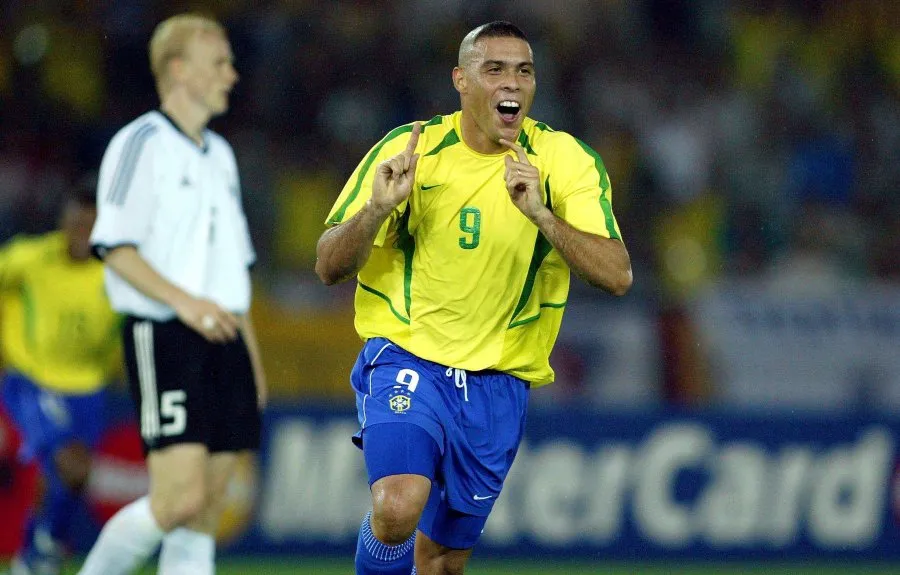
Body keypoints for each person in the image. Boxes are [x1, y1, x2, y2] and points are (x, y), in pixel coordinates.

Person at [316, 20, 633, 575]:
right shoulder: (412, 149)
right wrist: (376, 210)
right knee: (396, 508)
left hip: (497, 384)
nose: (511, 81)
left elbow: (617, 275)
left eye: (523, 70)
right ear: (461, 80)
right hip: (410, 357)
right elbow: (328, 266)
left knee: (441, 562)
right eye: (495, 69)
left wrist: (542, 214)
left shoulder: (563, 161)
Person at [76, 13, 265, 575]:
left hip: (225, 336)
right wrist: (187, 304)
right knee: (176, 500)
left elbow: (233, 270)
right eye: (220, 62)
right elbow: (114, 245)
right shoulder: (141, 142)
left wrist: (250, 360)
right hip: (166, 333)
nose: (232, 74)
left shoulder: (221, 156)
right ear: (178, 69)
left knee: (205, 507)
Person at [0, 179, 122, 575]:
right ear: (63, 224)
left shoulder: (116, 271)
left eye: (93, 227)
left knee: (73, 478)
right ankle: (39, 554)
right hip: (32, 380)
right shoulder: (28, 258)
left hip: (88, 388)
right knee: (70, 464)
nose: (84, 236)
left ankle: (38, 552)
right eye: (78, 225)